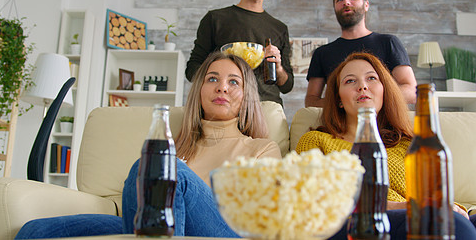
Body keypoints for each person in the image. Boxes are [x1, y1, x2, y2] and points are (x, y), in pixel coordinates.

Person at [15, 52, 281, 239]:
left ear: (247, 95)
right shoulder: (178, 145)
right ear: (199, 90)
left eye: (234, 82)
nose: (222, 87)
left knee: (159, 166)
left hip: (229, 231)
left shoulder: (261, 149)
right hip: (157, 223)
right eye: (212, 79)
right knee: (34, 231)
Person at [296, 52, 476, 240]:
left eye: (371, 78)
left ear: (384, 90)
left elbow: (433, 193)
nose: (362, 85)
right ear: (340, 99)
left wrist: (453, 208)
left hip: (433, 219)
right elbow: (313, 202)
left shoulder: (408, 143)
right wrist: (408, 207)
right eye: (350, 81)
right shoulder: (316, 141)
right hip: (369, 224)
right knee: (452, 226)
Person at [185, 0, 294, 106]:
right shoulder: (215, 19)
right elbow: (192, 69)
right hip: (224, 105)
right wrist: (216, 76)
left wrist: (279, 67)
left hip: (267, 108)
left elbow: (287, 86)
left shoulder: (280, 28)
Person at [304, 0, 417, 107]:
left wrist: (369, 97)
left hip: (385, 124)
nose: (346, 2)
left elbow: (411, 92)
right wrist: (345, 101)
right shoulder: (322, 53)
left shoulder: (388, 42)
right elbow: (311, 101)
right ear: (335, 9)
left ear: (366, 5)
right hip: (341, 125)